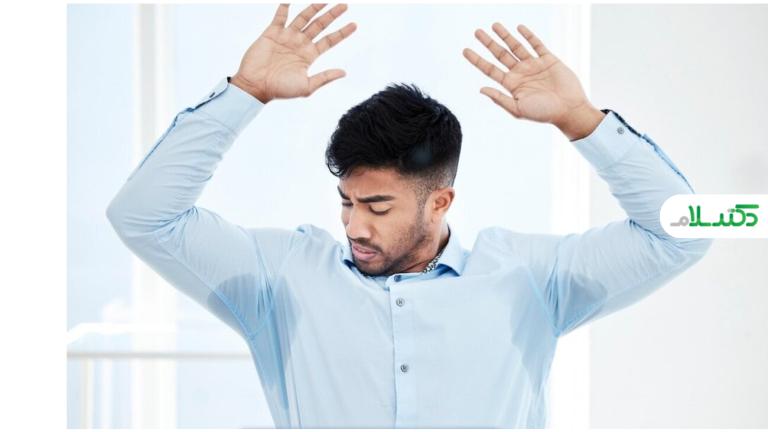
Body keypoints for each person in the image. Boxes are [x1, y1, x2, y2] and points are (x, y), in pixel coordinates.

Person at [107, 3, 714, 429]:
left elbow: (688, 230)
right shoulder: (281, 277)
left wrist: (581, 120)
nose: (354, 226)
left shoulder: (531, 278)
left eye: (378, 206)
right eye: (346, 201)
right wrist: (244, 92)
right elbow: (142, 216)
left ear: (440, 201)